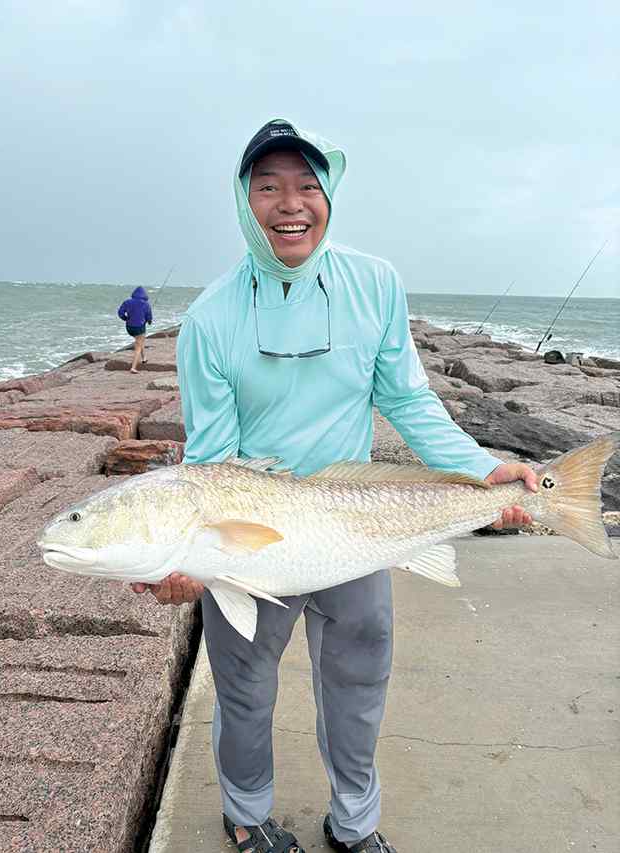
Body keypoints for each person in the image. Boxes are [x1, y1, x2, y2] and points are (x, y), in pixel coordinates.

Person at [131, 120, 537, 853]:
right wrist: (194, 553)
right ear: (242, 199)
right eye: (268, 187)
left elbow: (408, 399)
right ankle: (247, 812)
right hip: (253, 534)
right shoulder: (211, 319)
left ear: (329, 193)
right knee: (244, 686)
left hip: (353, 523)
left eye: (307, 185)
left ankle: (354, 822)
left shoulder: (375, 284)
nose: (291, 204)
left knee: (360, 679)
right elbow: (214, 456)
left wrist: (483, 465)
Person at [117, 286, 152, 372]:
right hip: (139, 328)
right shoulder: (146, 304)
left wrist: (125, 318)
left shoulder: (127, 302)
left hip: (129, 327)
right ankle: (133, 367)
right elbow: (149, 316)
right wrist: (149, 321)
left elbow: (120, 312)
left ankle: (144, 358)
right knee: (138, 346)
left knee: (140, 340)